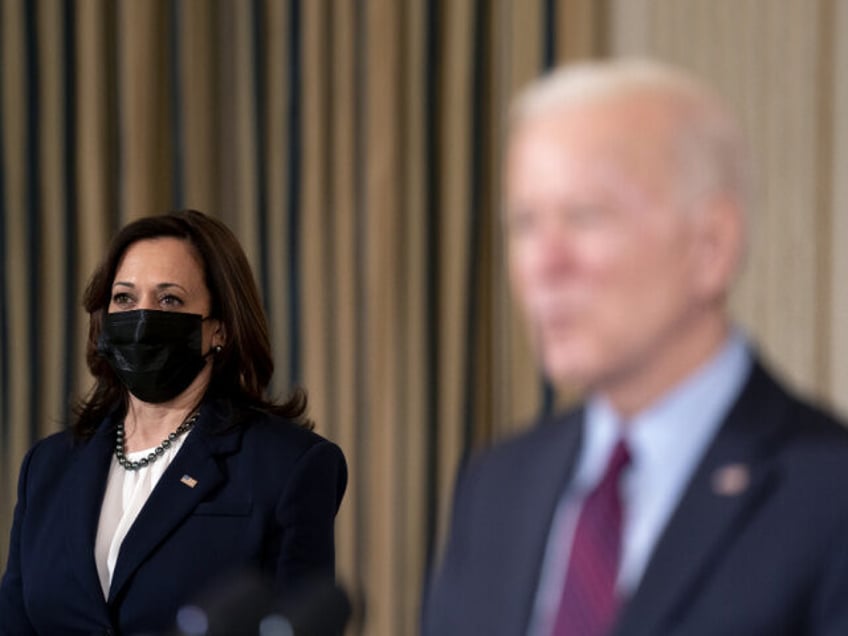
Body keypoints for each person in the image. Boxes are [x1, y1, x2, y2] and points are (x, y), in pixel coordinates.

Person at [422, 59, 848, 636]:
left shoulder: (827, 492)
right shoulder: (498, 485)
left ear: (711, 247)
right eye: (524, 223)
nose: (544, 264)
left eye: (584, 217)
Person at [0, 209, 348, 634]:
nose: (142, 317)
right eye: (124, 299)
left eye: (169, 300)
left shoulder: (289, 465)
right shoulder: (48, 466)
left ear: (218, 328)